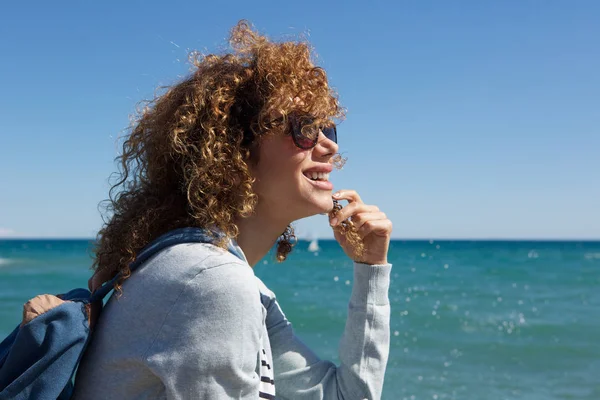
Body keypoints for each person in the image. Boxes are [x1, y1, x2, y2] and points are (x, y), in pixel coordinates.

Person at [73, 20, 393, 400]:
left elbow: (347, 396)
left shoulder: (225, 279)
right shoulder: (212, 282)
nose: (329, 147)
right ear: (234, 151)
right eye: (305, 128)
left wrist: (371, 269)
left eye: (328, 129)